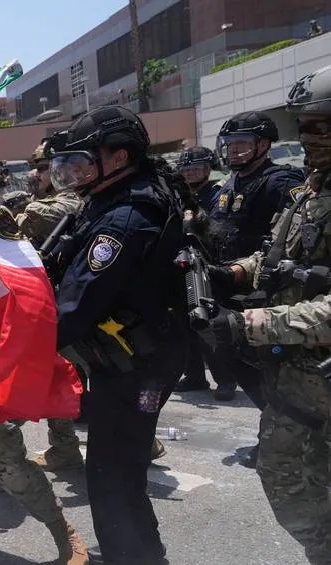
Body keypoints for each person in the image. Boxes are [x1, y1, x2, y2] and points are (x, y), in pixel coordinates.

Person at [200, 64, 331, 563]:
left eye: (320, 125)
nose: (307, 137)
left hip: (311, 366)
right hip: (296, 382)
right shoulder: (312, 188)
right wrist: (230, 274)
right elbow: (279, 257)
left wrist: (250, 324)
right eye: (304, 125)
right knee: (289, 488)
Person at [48, 105, 187, 564]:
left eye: (84, 160)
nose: (73, 172)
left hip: (139, 370)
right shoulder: (116, 197)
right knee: (119, 470)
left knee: (113, 474)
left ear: (120, 157)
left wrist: (21, 343)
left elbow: (77, 304)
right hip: (135, 361)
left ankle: (136, 556)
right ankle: (139, 553)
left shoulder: (126, 216)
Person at [209, 111, 305, 402]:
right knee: (234, 357)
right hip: (228, 282)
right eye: (230, 143)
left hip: (262, 288)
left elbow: (296, 235)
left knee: (271, 365)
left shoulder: (280, 180)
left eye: (242, 142)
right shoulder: (229, 184)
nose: (233, 149)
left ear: (263, 145)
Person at [14, 139, 86, 472]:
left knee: (61, 373)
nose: (37, 174)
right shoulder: (44, 200)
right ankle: (65, 447)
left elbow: (66, 210)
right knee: (61, 374)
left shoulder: (73, 196)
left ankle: (10, 459)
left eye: (44, 168)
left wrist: (20, 214)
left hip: (78, 305)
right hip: (59, 303)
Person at [173, 146, 222, 393]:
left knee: (210, 323)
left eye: (197, 169)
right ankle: (194, 376)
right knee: (185, 323)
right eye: (187, 170)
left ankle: (225, 380)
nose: (191, 174)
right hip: (182, 263)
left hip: (208, 262)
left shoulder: (217, 194)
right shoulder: (179, 195)